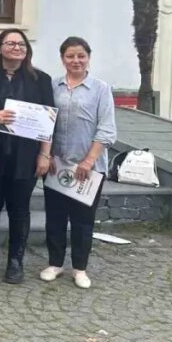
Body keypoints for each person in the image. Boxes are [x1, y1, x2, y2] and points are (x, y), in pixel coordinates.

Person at [0, 29, 53, 284]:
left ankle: (15, 260)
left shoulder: (40, 79)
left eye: (21, 44)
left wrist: (45, 154)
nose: (16, 47)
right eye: (10, 43)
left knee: (19, 208)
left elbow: (48, 120)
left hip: (26, 154)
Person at [41, 36, 117, 290]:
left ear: (88, 58)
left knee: (83, 220)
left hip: (88, 168)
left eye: (81, 56)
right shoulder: (53, 86)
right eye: (70, 56)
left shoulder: (101, 89)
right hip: (57, 165)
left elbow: (106, 129)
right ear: (62, 59)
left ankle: (80, 268)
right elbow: (45, 123)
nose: (76, 61)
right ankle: (55, 263)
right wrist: (47, 155)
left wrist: (88, 160)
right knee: (55, 217)